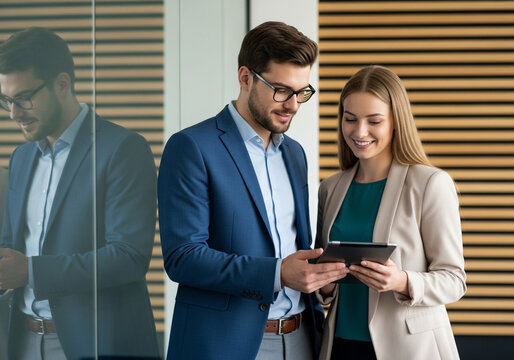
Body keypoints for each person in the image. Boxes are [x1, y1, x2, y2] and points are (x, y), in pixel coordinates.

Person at [158, 21, 347, 360]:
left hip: (302, 336)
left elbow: (294, 244)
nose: (292, 105)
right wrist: (276, 273)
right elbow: (182, 257)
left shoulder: (294, 154)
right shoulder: (191, 147)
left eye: (301, 91)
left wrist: (322, 277)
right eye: (280, 89)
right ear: (245, 77)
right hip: (226, 344)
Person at [0, 27, 160, 359]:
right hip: (23, 341)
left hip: (94, 344)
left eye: (24, 98)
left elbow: (129, 257)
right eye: (7, 101)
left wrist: (31, 271)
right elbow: (11, 248)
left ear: (62, 84)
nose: (14, 114)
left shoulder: (123, 149)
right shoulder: (21, 158)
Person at [315, 65, 466, 360]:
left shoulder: (430, 184)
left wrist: (402, 281)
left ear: (396, 122)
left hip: (409, 349)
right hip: (340, 344)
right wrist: (325, 283)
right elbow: (324, 278)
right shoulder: (330, 188)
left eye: (374, 121)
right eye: (350, 119)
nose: (359, 132)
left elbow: (454, 279)